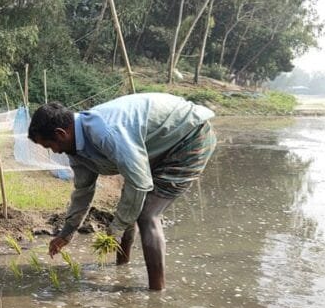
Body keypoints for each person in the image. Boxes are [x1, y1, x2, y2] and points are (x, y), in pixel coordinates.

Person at [28, 93, 216, 290]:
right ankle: (122, 268)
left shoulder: (106, 132)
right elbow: (83, 192)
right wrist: (66, 234)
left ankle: (156, 293)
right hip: (158, 147)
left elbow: (139, 183)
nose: (55, 152)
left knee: (146, 214)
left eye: (50, 146)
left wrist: (116, 228)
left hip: (189, 136)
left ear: (60, 133)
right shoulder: (75, 150)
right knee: (129, 204)